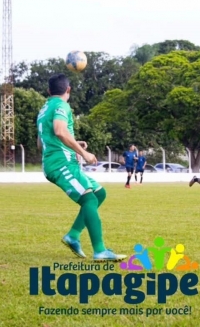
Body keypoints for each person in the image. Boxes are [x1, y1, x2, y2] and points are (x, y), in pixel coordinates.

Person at [37, 73, 126, 261]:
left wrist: (74, 144)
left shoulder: (44, 109)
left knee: (99, 194)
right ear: (68, 89)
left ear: (48, 91)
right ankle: (100, 250)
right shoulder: (62, 105)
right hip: (61, 164)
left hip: (60, 161)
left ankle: (73, 235)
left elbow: (42, 142)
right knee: (89, 199)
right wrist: (84, 153)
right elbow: (60, 131)